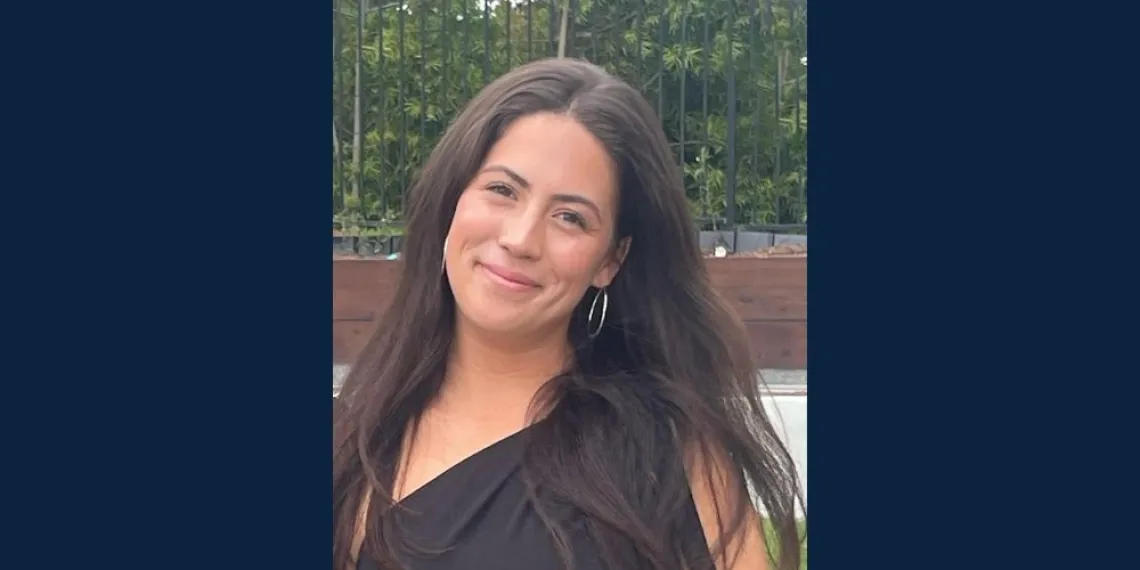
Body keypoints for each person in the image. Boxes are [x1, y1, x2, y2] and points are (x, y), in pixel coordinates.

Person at [333, 58, 805, 570]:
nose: (519, 239)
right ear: (453, 200)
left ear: (610, 259)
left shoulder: (663, 458)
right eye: (502, 190)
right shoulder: (356, 427)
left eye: (570, 218)